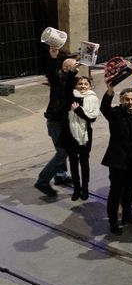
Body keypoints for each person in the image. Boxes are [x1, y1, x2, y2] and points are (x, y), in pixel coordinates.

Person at [101, 81, 132, 236]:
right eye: (126, 99)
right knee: (115, 191)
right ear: (121, 101)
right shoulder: (115, 113)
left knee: (129, 190)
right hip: (118, 161)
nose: (130, 102)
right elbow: (104, 108)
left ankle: (127, 217)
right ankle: (113, 221)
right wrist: (109, 91)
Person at [35, 47, 78, 197]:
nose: (76, 70)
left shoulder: (70, 79)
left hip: (64, 120)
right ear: (66, 68)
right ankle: (42, 181)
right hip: (55, 121)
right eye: (74, 67)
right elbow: (52, 76)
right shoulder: (59, 80)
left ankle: (60, 176)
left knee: (64, 148)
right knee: (62, 152)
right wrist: (53, 58)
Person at [62, 76, 99, 201]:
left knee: (84, 161)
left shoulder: (93, 98)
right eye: (80, 84)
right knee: (73, 162)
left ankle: (85, 188)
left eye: (85, 84)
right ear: (76, 85)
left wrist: (78, 111)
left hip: (85, 134)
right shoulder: (70, 96)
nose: (83, 86)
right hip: (70, 133)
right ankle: (76, 189)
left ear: (89, 85)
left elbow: (92, 118)